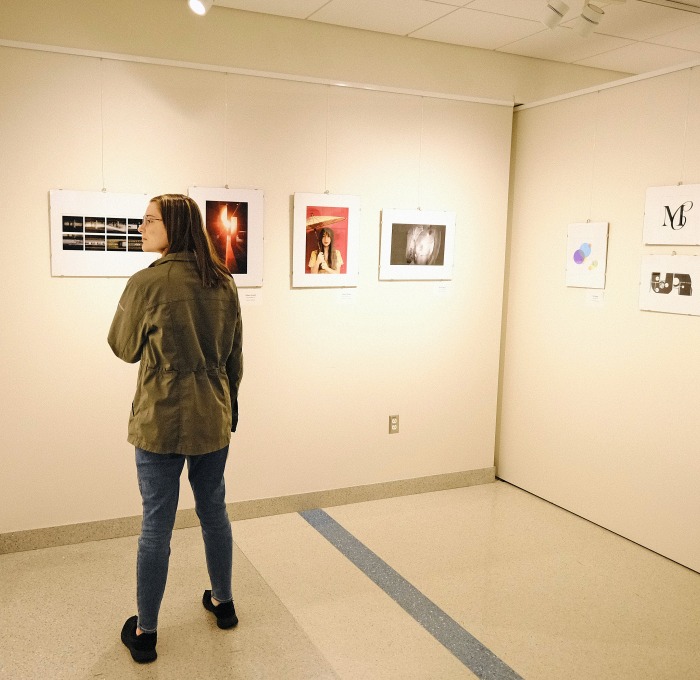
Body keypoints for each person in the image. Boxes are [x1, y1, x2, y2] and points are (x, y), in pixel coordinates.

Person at [108, 194, 243, 663]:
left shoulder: (147, 283)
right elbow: (234, 359)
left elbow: (122, 347)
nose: (142, 226)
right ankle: (224, 605)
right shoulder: (222, 280)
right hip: (212, 416)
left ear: (174, 226)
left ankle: (146, 633)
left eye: (149, 220)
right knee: (214, 511)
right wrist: (230, 406)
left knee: (156, 527)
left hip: (160, 420)